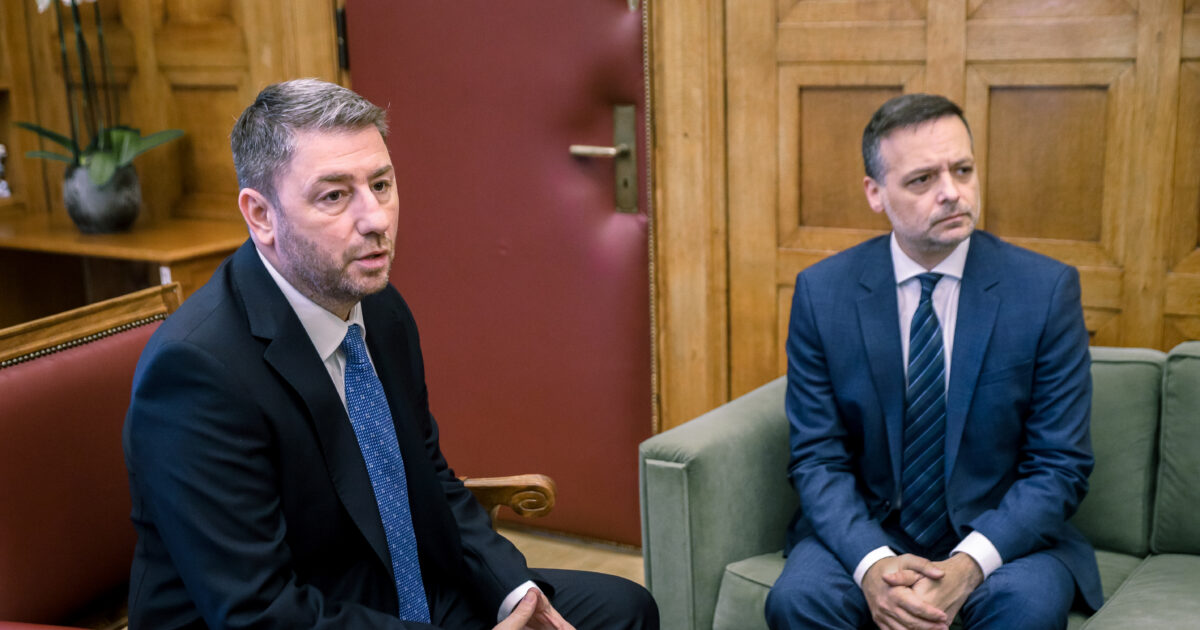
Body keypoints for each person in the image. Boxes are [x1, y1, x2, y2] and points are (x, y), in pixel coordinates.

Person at [122, 78, 658, 630]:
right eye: (334, 196)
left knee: (623, 610)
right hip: (291, 614)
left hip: (391, 587)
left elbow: (427, 475)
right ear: (260, 215)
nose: (375, 218)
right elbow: (258, 612)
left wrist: (516, 594)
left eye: (380, 184)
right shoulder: (197, 373)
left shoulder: (378, 308)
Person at [763, 93, 1102, 630]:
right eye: (922, 179)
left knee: (1026, 608)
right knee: (798, 600)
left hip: (1000, 533)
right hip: (874, 526)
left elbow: (1059, 465)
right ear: (875, 193)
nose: (951, 192)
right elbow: (817, 458)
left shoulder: (1044, 291)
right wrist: (873, 563)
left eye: (962, 170)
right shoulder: (822, 293)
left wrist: (968, 566)